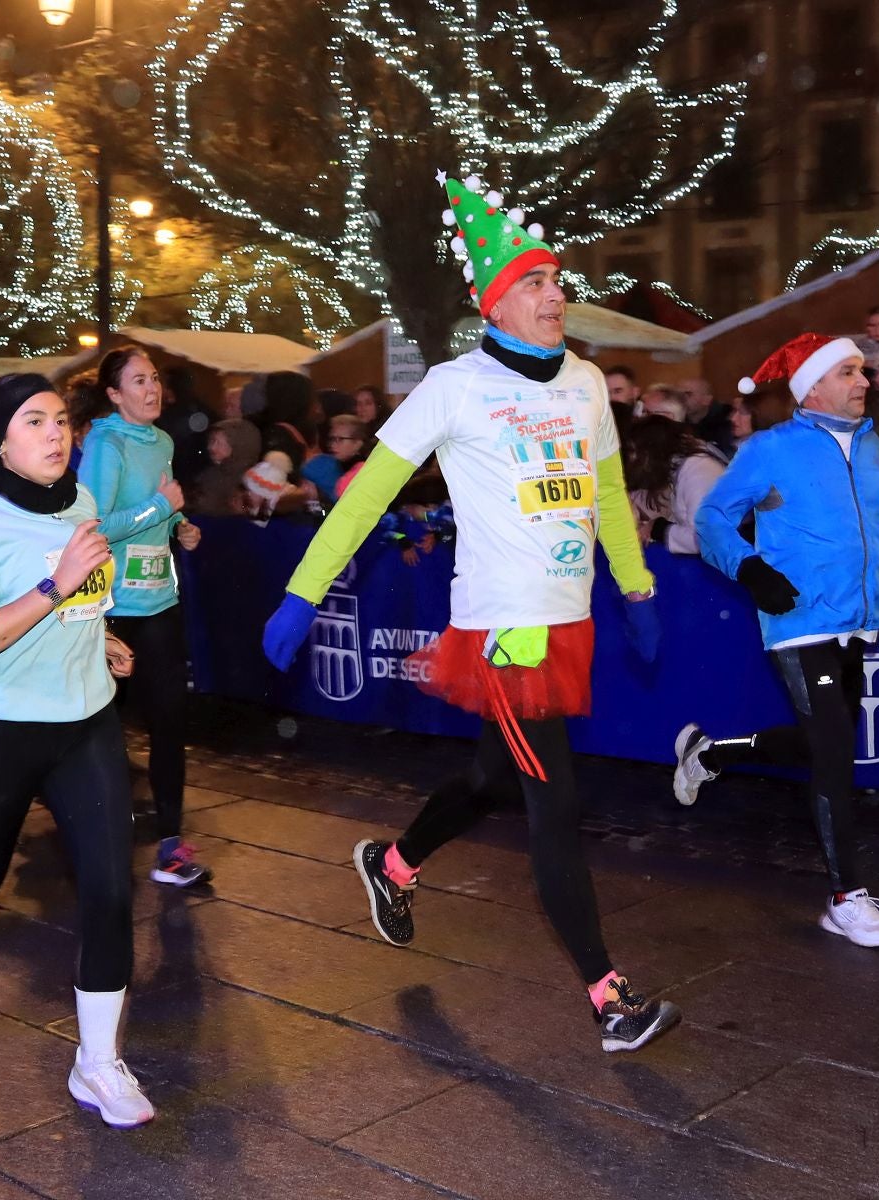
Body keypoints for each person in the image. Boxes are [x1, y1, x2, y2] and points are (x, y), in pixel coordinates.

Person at [262, 171, 678, 1054]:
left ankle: (394, 862)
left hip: (568, 626)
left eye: (557, 278)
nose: (554, 293)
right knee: (553, 803)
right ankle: (610, 998)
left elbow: (606, 493)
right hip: (504, 632)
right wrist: (304, 591)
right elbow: (366, 495)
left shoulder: (588, 384)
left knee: (494, 777)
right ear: (494, 304)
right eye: (533, 282)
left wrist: (634, 587)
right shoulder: (455, 386)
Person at [0, 373, 155, 1128]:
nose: (55, 434)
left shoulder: (80, 501)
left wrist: (99, 633)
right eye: (35, 422)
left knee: (110, 890)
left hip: (86, 724)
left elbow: (81, 598)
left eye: (62, 421)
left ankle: (98, 1064)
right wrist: (56, 582)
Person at [676, 332, 879, 948]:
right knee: (833, 751)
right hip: (799, 618)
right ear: (815, 385)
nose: (864, 383)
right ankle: (844, 897)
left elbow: (874, 521)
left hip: (857, 617)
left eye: (863, 372)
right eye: (850, 372)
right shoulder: (770, 449)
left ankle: (714, 754)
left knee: (816, 741)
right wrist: (749, 569)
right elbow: (713, 518)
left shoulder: (872, 447)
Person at [77, 348, 210, 887]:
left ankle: (171, 847)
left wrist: (180, 525)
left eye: (154, 379)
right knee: (99, 730)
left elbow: (165, 500)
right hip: (112, 612)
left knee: (170, 722)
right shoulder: (104, 445)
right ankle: (92, 827)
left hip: (159, 602)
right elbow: (94, 527)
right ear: (114, 394)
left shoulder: (163, 442)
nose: (151, 389)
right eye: (138, 381)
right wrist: (161, 509)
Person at [622, 415, 725, 554]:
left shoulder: (698, 471)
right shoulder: (681, 468)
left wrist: (657, 528)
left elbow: (702, 539)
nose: (632, 459)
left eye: (635, 452)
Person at [190, 418, 259, 517]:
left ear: (237, 445)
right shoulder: (207, 476)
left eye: (219, 443)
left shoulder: (254, 481)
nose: (211, 447)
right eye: (212, 441)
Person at [675, 376, 736, 457]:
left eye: (688, 394)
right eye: (678, 395)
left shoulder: (727, 421)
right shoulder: (675, 422)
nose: (681, 399)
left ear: (707, 400)